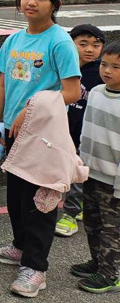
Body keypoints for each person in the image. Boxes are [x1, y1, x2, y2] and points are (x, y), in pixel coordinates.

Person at [0, 0, 81, 298]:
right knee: (16, 198)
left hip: (43, 136)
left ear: (55, 5)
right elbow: (2, 84)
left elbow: (72, 91)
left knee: (39, 202)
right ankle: (20, 246)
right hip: (14, 133)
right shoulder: (14, 39)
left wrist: (32, 108)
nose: (31, 2)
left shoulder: (60, 42)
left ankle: (36, 268)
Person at [74, 39, 120, 293]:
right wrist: (81, 163)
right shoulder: (97, 93)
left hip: (114, 180)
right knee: (92, 223)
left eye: (115, 67)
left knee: (113, 229)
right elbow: (86, 131)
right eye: (104, 64)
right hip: (92, 172)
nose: (107, 71)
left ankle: (111, 274)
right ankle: (98, 262)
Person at [56, 23, 105, 237]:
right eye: (83, 44)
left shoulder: (102, 72)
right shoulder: (62, 66)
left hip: (86, 134)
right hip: (62, 128)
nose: (90, 49)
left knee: (77, 173)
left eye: (96, 45)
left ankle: (70, 214)